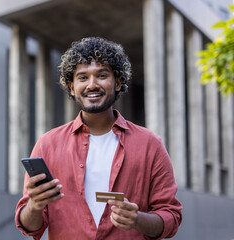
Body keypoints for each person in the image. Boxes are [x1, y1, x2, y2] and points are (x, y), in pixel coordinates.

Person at [15, 37, 182, 240]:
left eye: (102, 75)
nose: (92, 85)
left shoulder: (150, 144)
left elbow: (171, 218)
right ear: (71, 86)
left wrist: (137, 219)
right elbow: (29, 226)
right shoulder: (47, 144)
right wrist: (35, 204)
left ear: (118, 81)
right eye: (82, 77)